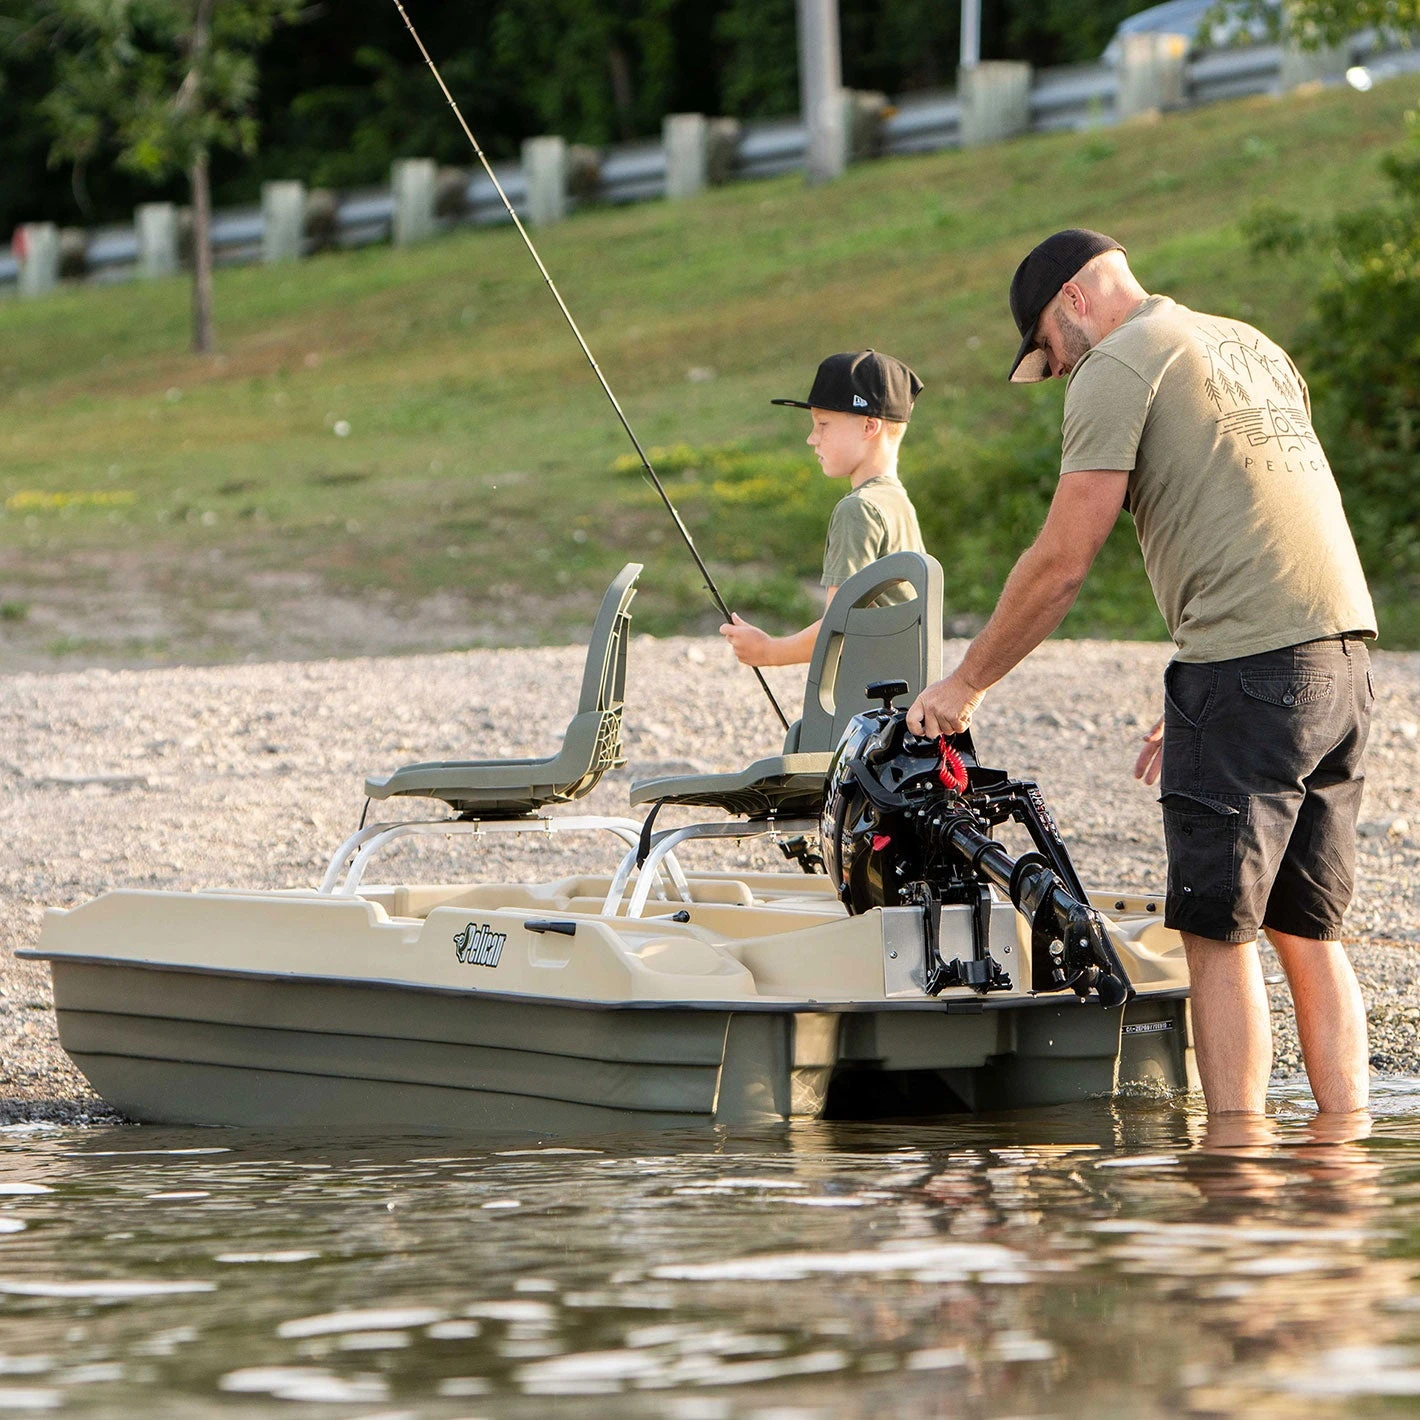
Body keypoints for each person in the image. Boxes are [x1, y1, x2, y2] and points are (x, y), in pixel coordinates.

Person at [906, 229, 1377, 1117]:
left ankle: (1235, 1173)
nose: (1053, 367)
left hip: (1251, 672)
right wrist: (1219, 688)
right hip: (1340, 662)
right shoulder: (1250, 343)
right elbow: (1263, 506)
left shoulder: (1119, 365)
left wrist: (965, 682)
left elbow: (1062, 560)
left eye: (1046, 345)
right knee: (1308, 930)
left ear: (1074, 301)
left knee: (1216, 933)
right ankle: (1342, 1173)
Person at [720, 349, 927, 667]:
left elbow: (841, 628)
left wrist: (768, 651)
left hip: (866, 704)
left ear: (869, 427)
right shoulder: (898, 503)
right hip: (903, 694)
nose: (811, 438)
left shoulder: (858, 510)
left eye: (823, 423)